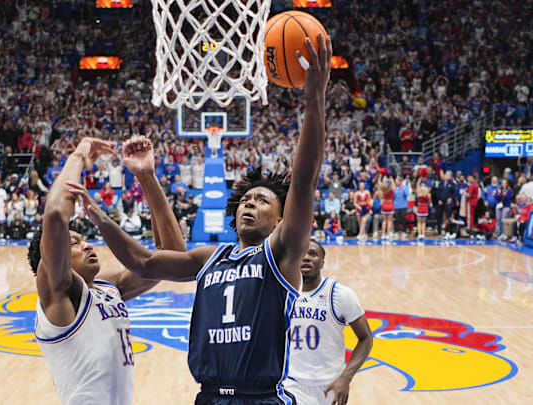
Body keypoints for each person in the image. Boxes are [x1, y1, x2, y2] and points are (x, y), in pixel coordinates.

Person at [70, 35, 332, 405]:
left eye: (262, 201)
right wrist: (101, 217)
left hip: (260, 398)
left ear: (279, 220)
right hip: (208, 398)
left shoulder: (282, 254)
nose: (249, 204)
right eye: (245, 199)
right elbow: (143, 262)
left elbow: (303, 181)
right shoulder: (212, 257)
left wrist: (314, 100)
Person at [29, 136, 186, 405]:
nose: (86, 245)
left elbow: (173, 259)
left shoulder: (107, 289)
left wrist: (147, 177)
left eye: (83, 239)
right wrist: (80, 152)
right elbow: (55, 213)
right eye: (73, 243)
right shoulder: (59, 295)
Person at [285, 240, 373, 405]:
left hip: (330, 385)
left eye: (313, 254)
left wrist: (346, 378)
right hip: (292, 383)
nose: (306, 258)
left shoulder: (341, 294)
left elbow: (366, 338)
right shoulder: (284, 294)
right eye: (302, 254)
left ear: (322, 262)